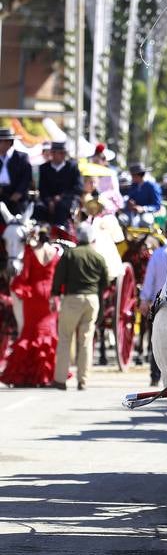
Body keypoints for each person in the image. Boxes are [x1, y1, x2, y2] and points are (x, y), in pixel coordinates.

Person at [0, 226, 62, 387]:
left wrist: (16, 287)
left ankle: (25, 376)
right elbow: (58, 277)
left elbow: (24, 275)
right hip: (50, 297)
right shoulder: (55, 253)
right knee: (48, 335)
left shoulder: (31, 252)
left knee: (29, 333)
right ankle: (45, 376)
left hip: (33, 296)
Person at [50, 222, 109, 390]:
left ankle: (60, 379)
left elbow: (58, 277)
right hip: (92, 300)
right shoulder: (98, 257)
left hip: (72, 299)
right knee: (85, 341)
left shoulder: (69, 255)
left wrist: (54, 294)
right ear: (91, 238)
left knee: (65, 338)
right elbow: (104, 282)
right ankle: (83, 380)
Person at [139, 220, 167, 386]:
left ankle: (155, 376)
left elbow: (149, 279)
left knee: (156, 340)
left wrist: (144, 299)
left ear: (165, 234)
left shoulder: (158, 254)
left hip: (161, 303)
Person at [35, 140, 83, 226]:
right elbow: (42, 187)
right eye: (60, 153)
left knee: (62, 207)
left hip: (68, 199)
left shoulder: (72, 167)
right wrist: (49, 200)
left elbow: (78, 187)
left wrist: (61, 197)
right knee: (38, 208)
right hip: (47, 200)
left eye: (64, 153)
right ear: (52, 153)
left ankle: (60, 232)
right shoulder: (44, 168)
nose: (63, 155)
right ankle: (42, 232)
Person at [0, 126, 33, 215]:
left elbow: (26, 178)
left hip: (17, 197)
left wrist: (18, 193)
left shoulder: (22, 158)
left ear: (9, 142)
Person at [122, 162, 162, 227]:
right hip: (132, 213)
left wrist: (143, 208)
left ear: (138, 175)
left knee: (145, 221)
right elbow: (130, 198)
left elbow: (157, 206)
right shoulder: (133, 185)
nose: (131, 177)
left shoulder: (152, 186)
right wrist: (130, 203)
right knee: (122, 219)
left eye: (132, 175)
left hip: (148, 213)